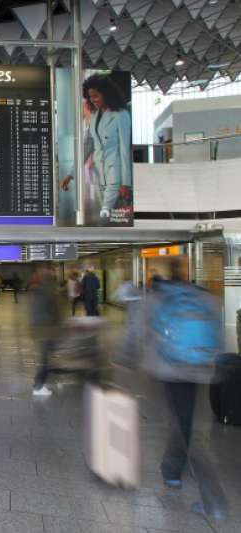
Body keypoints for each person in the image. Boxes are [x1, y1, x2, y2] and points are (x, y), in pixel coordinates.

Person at [136, 261, 227, 520]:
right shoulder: (204, 297)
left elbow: (137, 329)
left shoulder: (156, 297)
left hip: (168, 368)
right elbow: (217, 335)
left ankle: (211, 498)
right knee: (185, 421)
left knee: (182, 425)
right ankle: (173, 468)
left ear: (163, 275)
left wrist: (123, 356)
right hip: (198, 368)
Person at [83, 74, 132, 222]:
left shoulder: (121, 115)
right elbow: (88, 145)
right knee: (106, 216)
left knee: (109, 217)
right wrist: (71, 173)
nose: (93, 100)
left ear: (107, 94)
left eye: (96, 96)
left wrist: (125, 183)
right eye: (90, 97)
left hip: (116, 174)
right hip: (99, 174)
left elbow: (125, 149)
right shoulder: (95, 117)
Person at [31, 265, 65, 396]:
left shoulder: (41, 289)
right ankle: (38, 386)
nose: (54, 273)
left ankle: (43, 381)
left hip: (44, 328)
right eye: (52, 271)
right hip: (46, 328)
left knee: (48, 356)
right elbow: (50, 311)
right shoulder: (46, 289)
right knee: (45, 358)